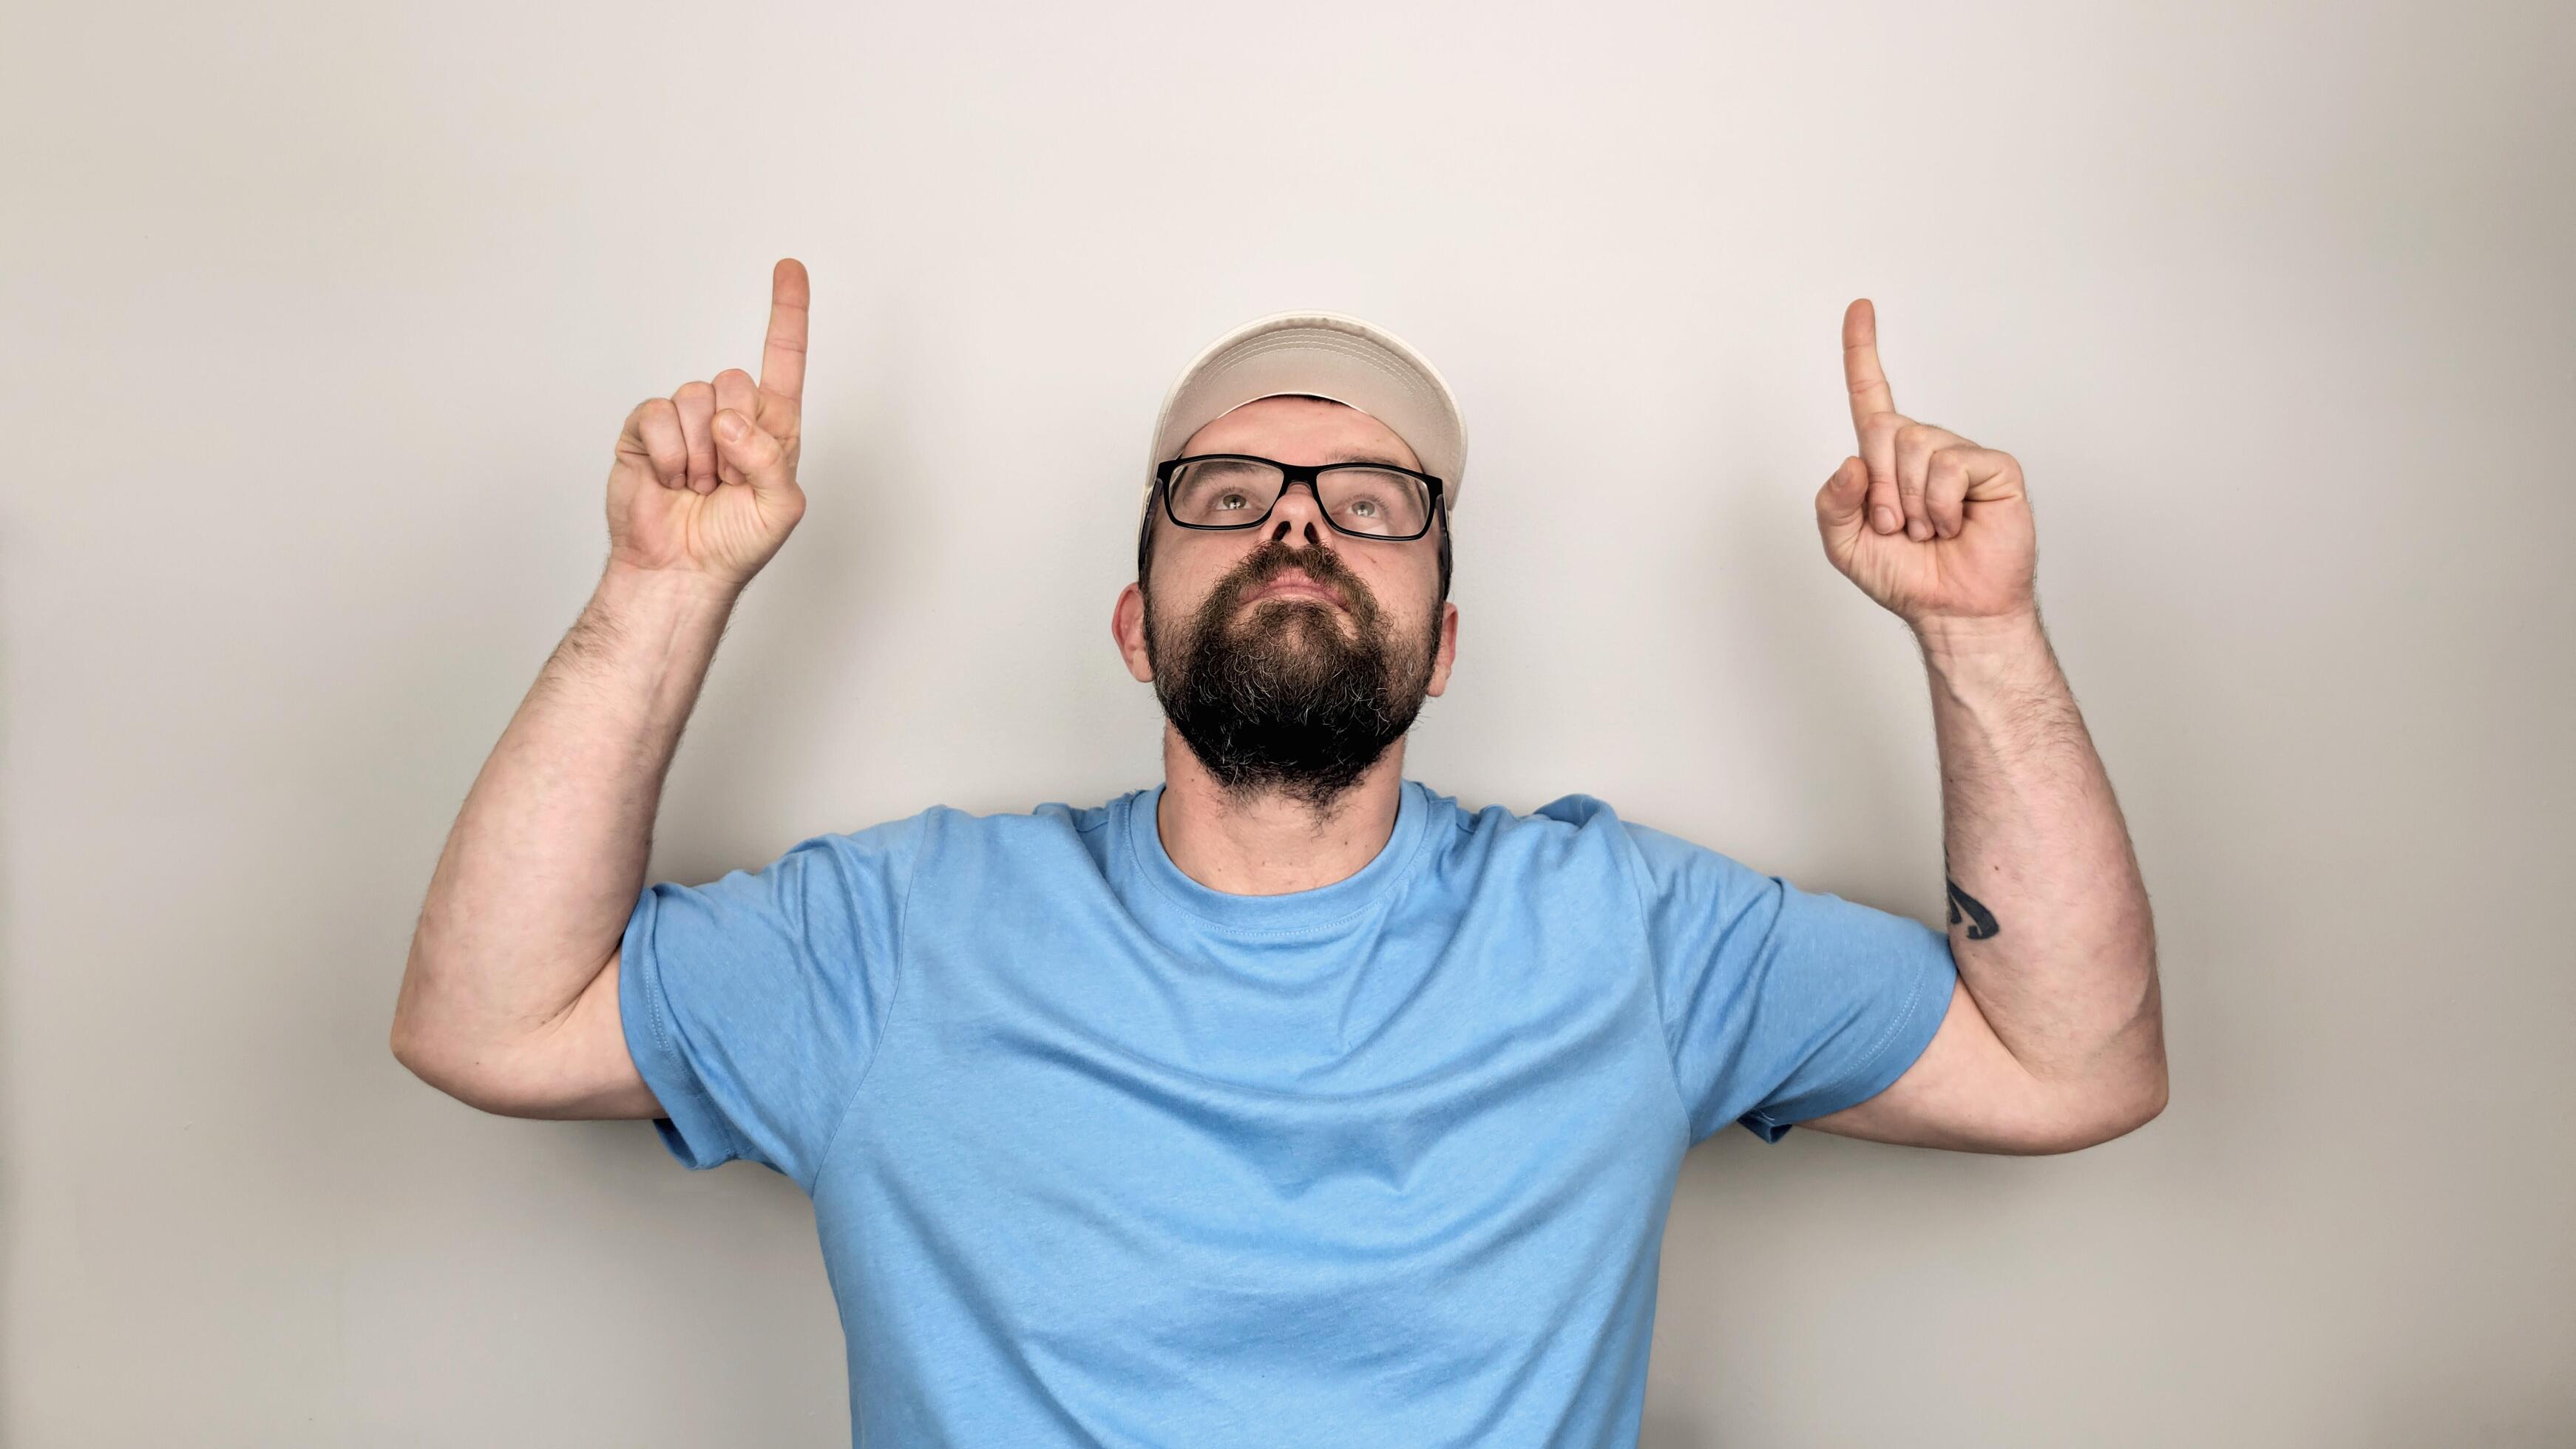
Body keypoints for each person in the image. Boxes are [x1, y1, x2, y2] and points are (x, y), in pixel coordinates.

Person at [391, 258, 2166, 1445]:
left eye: (1370, 500)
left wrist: (1976, 632)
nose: (1299, 520)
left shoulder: (1622, 930)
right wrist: (662, 587)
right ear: (1130, 621)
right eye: (1224, 493)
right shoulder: (896, 934)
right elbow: (488, 1018)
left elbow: (2066, 1062)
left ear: (1446, 639)